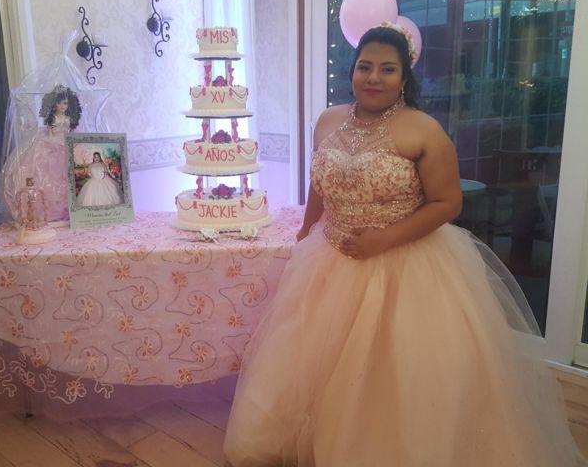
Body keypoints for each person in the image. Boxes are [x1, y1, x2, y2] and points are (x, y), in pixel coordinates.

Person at [223, 26, 586, 466]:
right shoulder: (328, 119)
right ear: (352, 71)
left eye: (387, 69)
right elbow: (320, 181)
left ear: (404, 77)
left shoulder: (424, 130)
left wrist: (383, 238)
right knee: (314, 362)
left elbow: (447, 203)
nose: (374, 77)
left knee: (392, 371)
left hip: (405, 263)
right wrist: (305, 231)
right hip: (330, 257)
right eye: (365, 67)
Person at [1, 84, 82, 222]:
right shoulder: (53, 118)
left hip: (67, 142)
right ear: (53, 104)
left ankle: (73, 208)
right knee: (47, 171)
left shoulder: (69, 118)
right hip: (52, 143)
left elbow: (71, 132)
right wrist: (53, 142)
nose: (62, 106)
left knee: (69, 172)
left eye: (65, 103)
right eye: (59, 103)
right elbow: (50, 133)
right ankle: (48, 210)